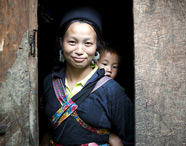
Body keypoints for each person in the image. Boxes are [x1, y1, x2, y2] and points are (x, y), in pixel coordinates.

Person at [41, 6, 134, 146]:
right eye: (72, 42)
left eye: (88, 43)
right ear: (61, 42)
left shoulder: (110, 89)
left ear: (97, 46)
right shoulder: (50, 82)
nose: (79, 50)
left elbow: (130, 137)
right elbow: (48, 127)